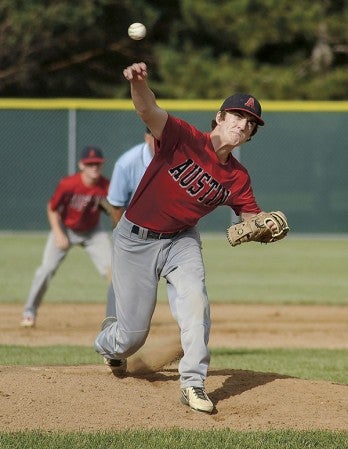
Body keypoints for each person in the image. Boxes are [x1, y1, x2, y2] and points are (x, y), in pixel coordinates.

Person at [94, 62, 277, 414]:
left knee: (196, 304)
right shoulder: (182, 137)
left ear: (251, 135)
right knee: (131, 337)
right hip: (135, 238)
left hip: (181, 240)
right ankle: (109, 343)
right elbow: (147, 109)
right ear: (219, 117)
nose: (243, 125)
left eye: (250, 123)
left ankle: (193, 382)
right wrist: (138, 82)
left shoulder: (238, 177)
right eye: (237, 116)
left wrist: (261, 226)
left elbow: (249, 213)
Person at [20, 146, 114, 327]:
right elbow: (52, 207)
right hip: (66, 229)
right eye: (90, 164)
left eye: (97, 164)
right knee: (46, 270)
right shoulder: (68, 184)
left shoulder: (106, 186)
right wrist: (58, 232)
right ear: (81, 165)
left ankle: (119, 317)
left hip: (93, 232)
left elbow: (116, 209)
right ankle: (29, 312)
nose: (94, 167)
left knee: (113, 273)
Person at [104, 129, 155, 316]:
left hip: (167, 230)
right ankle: (112, 322)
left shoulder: (176, 157)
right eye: (155, 136)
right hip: (132, 229)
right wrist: (122, 237)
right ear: (147, 137)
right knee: (123, 277)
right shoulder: (127, 164)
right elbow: (116, 205)